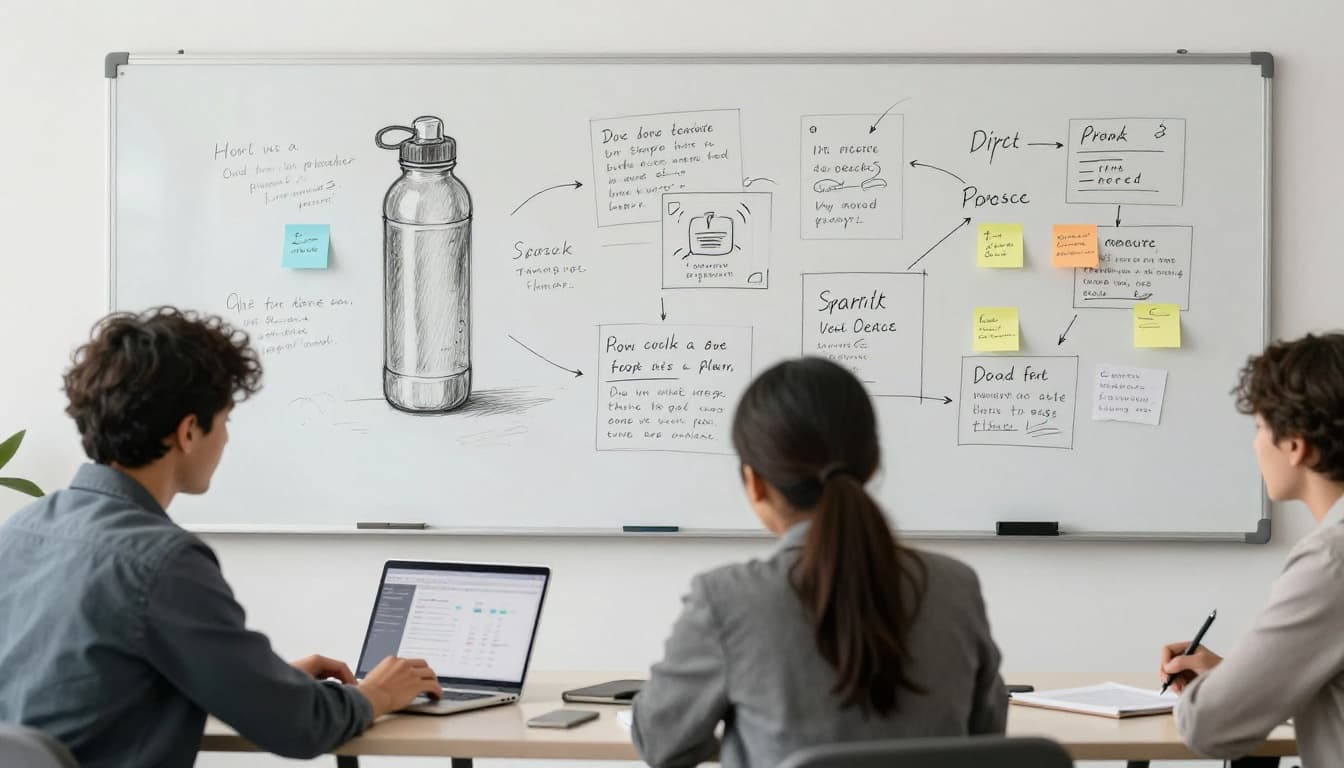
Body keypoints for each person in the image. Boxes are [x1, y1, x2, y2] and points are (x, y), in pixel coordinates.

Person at [0, 307, 442, 768]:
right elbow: (299, 728)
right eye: (226, 420)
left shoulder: (21, 529)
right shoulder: (163, 562)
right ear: (189, 431)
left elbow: (91, 692)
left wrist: (261, 683)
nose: (227, 440)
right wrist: (375, 695)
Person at [631, 356, 1007, 768]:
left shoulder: (726, 600)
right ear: (873, 464)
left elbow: (661, 743)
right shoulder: (956, 587)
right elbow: (986, 736)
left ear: (754, 482)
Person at [1160, 333, 1344, 766]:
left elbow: (1208, 727)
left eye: (1260, 428)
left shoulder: (1331, 562)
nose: (1255, 444)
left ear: (1295, 445)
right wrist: (1239, 679)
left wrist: (1218, 692)